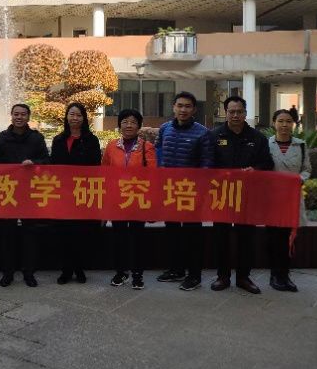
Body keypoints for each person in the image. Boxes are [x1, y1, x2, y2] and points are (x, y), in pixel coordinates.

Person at [210, 96, 273, 295]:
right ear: (225, 113)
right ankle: (222, 276)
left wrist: (255, 170)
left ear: (245, 113)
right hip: (222, 195)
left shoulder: (258, 138)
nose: (235, 115)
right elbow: (206, 163)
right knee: (221, 237)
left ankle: (244, 277)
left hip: (247, 196)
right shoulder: (214, 135)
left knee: (246, 238)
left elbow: (268, 164)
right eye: (231, 111)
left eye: (239, 111)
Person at [155, 92, 214, 291]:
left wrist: (200, 192)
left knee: (192, 236)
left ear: (194, 109)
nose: (183, 109)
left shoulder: (203, 133)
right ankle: (176, 270)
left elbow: (207, 164)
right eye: (179, 105)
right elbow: (158, 154)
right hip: (170, 191)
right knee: (172, 233)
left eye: (188, 106)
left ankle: (194, 275)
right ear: (173, 107)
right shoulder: (165, 129)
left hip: (191, 193)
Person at [0, 103, 50, 288]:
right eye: (16, 114)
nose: (19, 117)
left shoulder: (36, 138)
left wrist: (34, 163)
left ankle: (29, 273)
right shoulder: (2, 138)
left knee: (30, 234)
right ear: (11, 116)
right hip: (8, 191)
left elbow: (47, 161)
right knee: (7, 234)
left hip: (30, 192)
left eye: (23, 114)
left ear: (28, 117)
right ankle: (7, 273)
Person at [102, 108, 156, 290]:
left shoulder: (146, 147)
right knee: (119, 238)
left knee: (137, 239)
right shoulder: (111, 146)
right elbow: (105, 171)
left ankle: (137, 274)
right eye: (125, 122)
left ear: (139, 126)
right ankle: (120, 272)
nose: (129, 125)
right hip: (117, 200)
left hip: (137, 198)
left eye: (133, 122)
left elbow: (153, 174)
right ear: (119, 125)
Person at [50, 102, 101, 285]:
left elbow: (96, 166)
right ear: (66, 117)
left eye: (79, 115)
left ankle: (79, 268)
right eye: (72, 114)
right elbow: (53, 165)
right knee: (64, 233)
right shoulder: (58, 140)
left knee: (81, 233)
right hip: (63, 193)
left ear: (84, 118)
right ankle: (66, 270)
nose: (75, 118)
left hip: (83, 192)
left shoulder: (91, 140)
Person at [267, 108, 310, 292]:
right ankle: (275, 275)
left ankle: (285, 275)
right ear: (274, 123)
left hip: (292, 198)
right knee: (274, 238)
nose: (284, 125)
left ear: (293, 124)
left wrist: (299, 179)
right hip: (272, 199)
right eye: (280, 121)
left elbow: (307, 169)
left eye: (288, 121)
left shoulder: (301, 145)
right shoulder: (266, 144)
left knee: (288, 237)